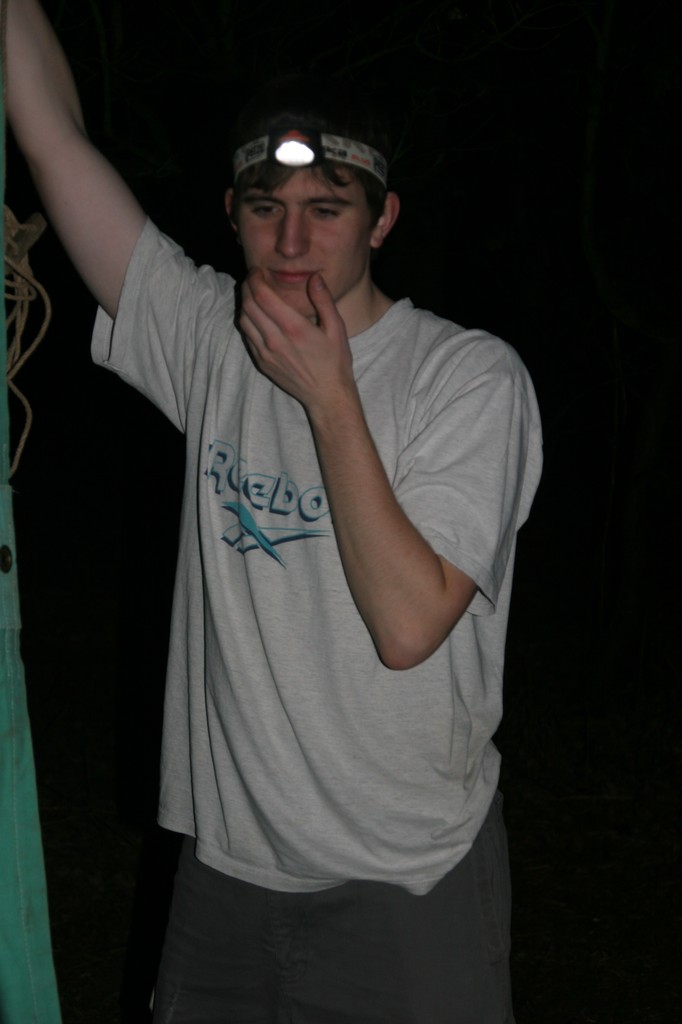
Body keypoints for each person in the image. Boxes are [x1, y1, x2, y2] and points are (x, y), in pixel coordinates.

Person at [7, 0, 543, 1020]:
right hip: (224, 879)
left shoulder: (468, 378)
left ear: (383, 218)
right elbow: (52, 139)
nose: (291, 240)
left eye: (327, 209)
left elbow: (408, 624)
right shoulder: (208, 336)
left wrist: (330, 399)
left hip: (406, 883)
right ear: (231, 211)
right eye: (265, 207)